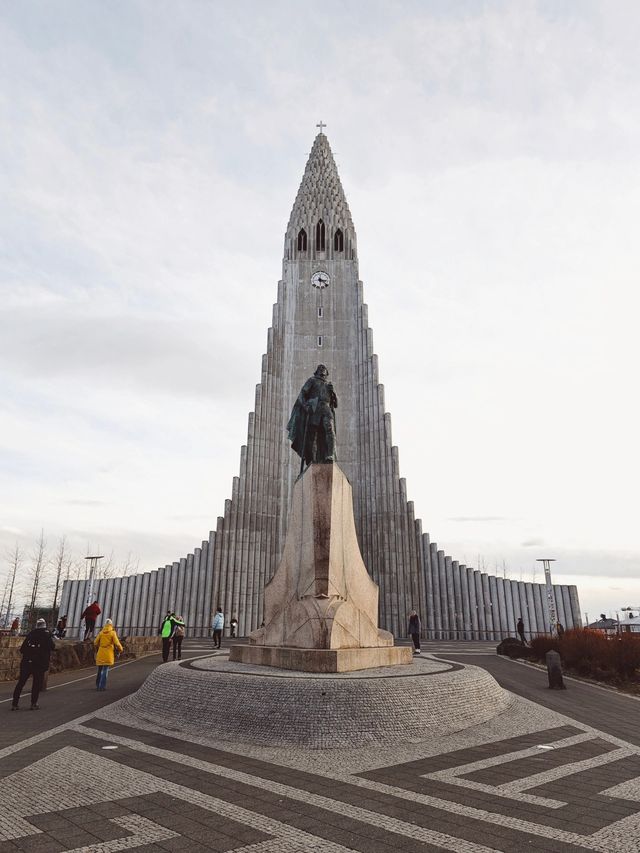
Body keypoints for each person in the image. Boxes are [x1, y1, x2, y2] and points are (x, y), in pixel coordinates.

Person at [287, 364, 338, 470]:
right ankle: (311, 459)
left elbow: (336, 404)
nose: (322, 370)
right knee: (312, 435)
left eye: (324, 369)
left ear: (326, 373)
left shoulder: (329, 385)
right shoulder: (312, 380)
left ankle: (330, 455)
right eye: (320, 368)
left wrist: (333, 392)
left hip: (326, 409)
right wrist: (305, 406)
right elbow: (302, 394)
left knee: (330, 430)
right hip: (315, 409)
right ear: (317, 371)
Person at [12, 618, 55, 710]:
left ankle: (14, 704)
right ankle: (33, 703)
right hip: (39, 663)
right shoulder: (46, 635)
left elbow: (22, 649)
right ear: (44, 625)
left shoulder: (31, 634)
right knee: (36, 683)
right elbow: (52, 647)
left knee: (21, 682)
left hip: (27, 662)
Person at [94, 619, 123, 691]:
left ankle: (98, 685)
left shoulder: (101, 633)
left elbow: (95, 642)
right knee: (105, 670)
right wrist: (121, 649)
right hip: (108, 653)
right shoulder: (112, 633)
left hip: (100, 652)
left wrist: (99, 647)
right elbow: (117, 643)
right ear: (111, 625)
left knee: (100, 670)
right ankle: (102, 686)